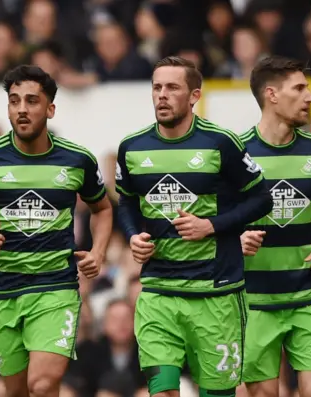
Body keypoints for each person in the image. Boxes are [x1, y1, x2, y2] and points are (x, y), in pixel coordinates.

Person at [0, 65, 113, 397]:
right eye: (14, 101)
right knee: (18, 391)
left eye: (32, 101)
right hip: (0, 292)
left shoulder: (77, 160)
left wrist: (99, 251)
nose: (22, 109)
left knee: (43, 385)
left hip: (54, 288)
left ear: (50, 109)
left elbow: (102, 208)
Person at [116, 56, 273, 397]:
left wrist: (211, 226)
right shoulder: (132, 148)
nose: (162, 95)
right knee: (163, 391)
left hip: (215, 291)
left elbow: (262, 199)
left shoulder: (221, 143)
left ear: (194, 95)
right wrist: (132, 236)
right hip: (159, 291)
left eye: (172, 88)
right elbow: (126, 200)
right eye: (157, 87)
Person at [240, 56, 311, 397]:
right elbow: (214, 215)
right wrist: (233, 237)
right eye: (299, 89)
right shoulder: (236, 152)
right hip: (253, 299)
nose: (309, 97)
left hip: (309, 295)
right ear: (271, 94)